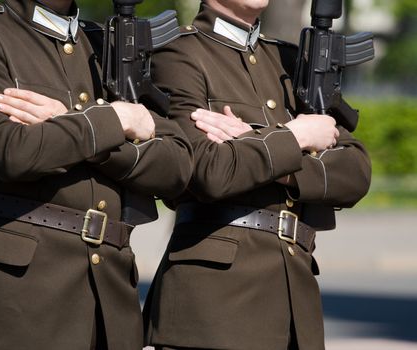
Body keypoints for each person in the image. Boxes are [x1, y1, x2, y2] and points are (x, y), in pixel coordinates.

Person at [0, 0, 193, 349]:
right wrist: (116, 120)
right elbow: (12, 151)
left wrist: (72, 119)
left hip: (109, 297)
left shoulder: (106, 43)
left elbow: (177, 164)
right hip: (21, 297)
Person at [142, 1, 371, 349]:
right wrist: (298, 138)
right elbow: (207, 170)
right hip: (214, 308)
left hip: (294, 301)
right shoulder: (178, 54)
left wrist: (250, 141)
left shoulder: (290, 61)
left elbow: (354, 171)